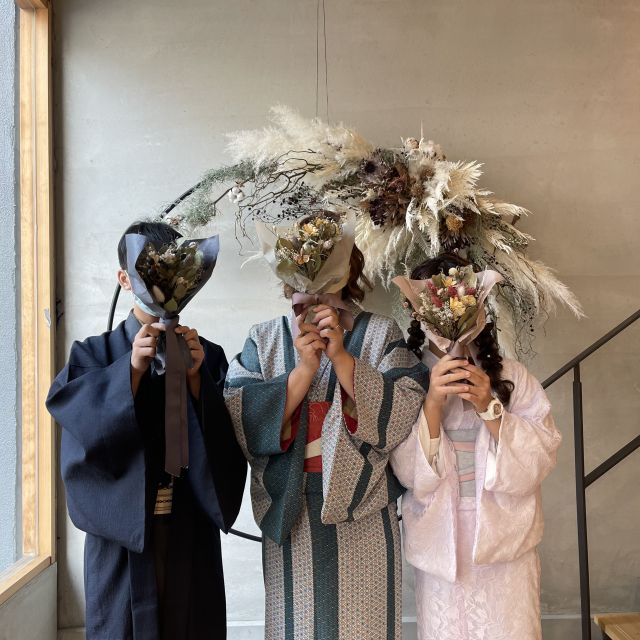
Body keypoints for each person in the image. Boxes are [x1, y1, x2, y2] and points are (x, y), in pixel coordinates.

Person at [224, 213, 428, 640]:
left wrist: (343, 359)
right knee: (296, 626)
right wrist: (303, 371)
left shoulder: (380, 332)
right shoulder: (265, 337)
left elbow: (406, 409)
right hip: (292, 504)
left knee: (364, 627)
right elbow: (241, 415)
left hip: (364, 506)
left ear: (349, 268)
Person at [46, 221, 247, 640]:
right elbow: (81, 431)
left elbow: (230, 443)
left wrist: (196, 380)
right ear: (125, 279)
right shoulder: (93, 355)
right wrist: (131, 371)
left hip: (189, 530)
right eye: (149, 273)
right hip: (123, 539)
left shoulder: (207, 355)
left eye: (172, 273)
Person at [390, 254, 562, 640]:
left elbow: (541, 455)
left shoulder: (512, 376)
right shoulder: (408, 380)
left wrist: (489, 405)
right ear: (420, 314)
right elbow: (406, 471)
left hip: (504, 540)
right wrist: (433, 402)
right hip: (440, 540)